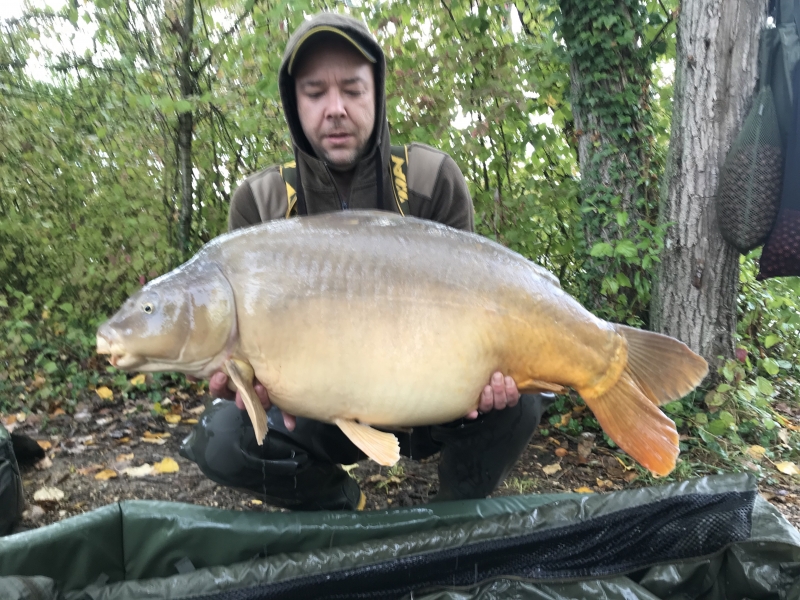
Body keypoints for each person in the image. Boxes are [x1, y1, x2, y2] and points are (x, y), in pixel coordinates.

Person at [180, 12, 554, 510]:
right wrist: (246, 384)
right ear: (294, 103)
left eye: (352, 90)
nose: (335, 109)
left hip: (436, 402)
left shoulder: (431, 177)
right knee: (223, 434)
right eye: (315, 92)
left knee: (521, 397)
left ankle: (452, 517)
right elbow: (242, 354)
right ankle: (340, 510)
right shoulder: (260, 203)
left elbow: (477, 307)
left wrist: (492, 378)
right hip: (319, 412)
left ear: (376, 94)